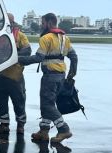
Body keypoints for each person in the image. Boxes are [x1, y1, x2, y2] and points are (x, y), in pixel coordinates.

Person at [19, 13, 78, 142]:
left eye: (43, 23)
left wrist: (19, 60)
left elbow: (38, 58)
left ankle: (64, 130)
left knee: (48, 106)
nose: (41, 25)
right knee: (46, 103)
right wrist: (71, 74)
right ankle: (44, 131)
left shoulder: (46, 38)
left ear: (50, 23)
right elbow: (74, 57)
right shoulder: (64, 38)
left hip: (50, 77)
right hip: (61, 76)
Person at [0, 13, 31, 135]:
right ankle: (4, 124)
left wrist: (12, 55)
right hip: (0, 75)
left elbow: (27, 50)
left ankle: (20, 125)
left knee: (19, 101)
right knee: (0, 100)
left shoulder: (20, 36)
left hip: (15, 76)